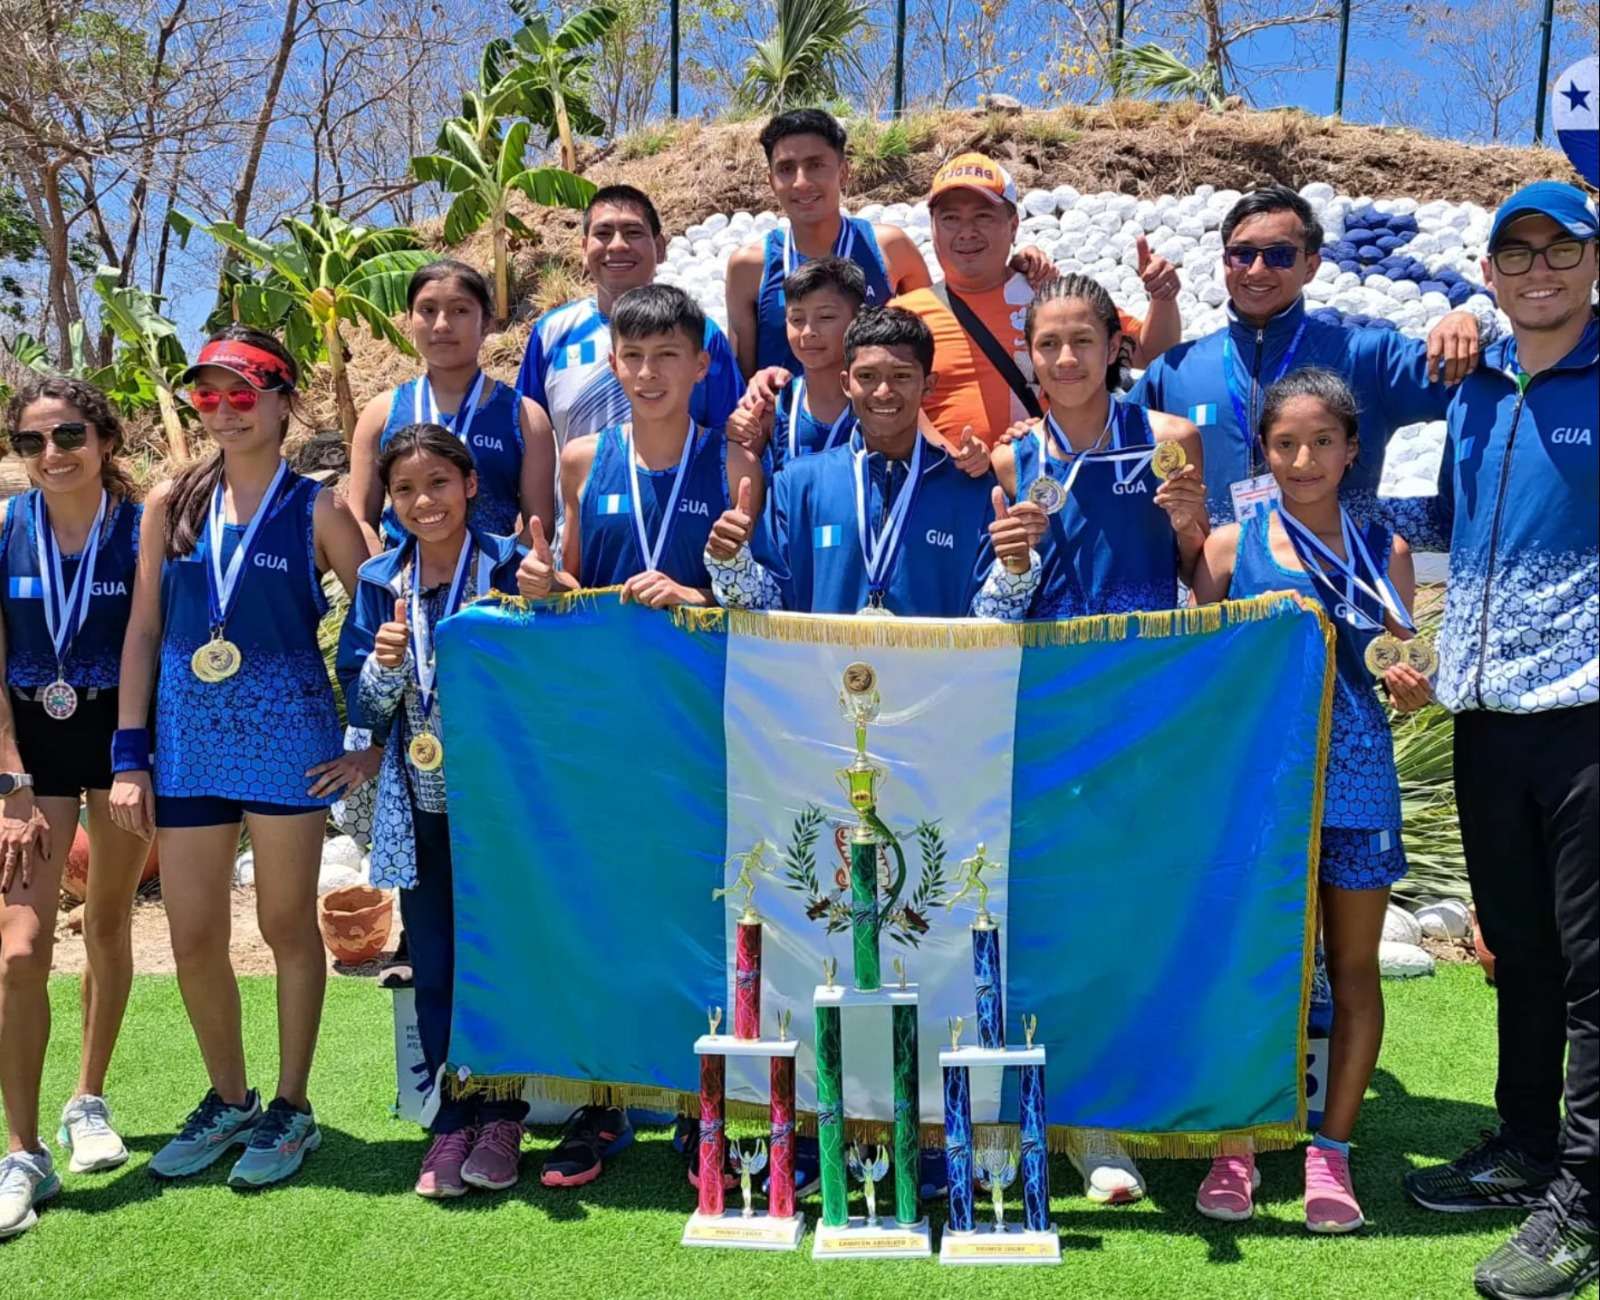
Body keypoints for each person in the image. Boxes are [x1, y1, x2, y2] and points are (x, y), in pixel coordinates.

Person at [108, 326, 373, 1189]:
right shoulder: (168, 504)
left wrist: (367, 739)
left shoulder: (319, 507)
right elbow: (143, 631)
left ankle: (293, 1107)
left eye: (244, 390)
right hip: (185, 747)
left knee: (286, 928)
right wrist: (129, 753)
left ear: (284, 398)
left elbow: (377, 630)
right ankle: (229, 1099)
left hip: (289, 739)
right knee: (192, 935)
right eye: (208, 394)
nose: (224, 409)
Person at [1397, 180, 1597, 1300]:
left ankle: (1586, 1194)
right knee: (1516, 955)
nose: (1538, 269)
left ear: (1592, 263)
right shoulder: (1473, 386)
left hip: (1586, 722)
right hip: (1486, 718)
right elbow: (1450, 539)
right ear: (1487, 269)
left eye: (1561, 251)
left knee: (1592, 971)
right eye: (1515, 251)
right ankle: (1526, 1146)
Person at [1191, 367, 1430, 1234]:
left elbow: (1405, 665)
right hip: (1261, 786)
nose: (1303, 458)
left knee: (1352, 967)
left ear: (1352, 448)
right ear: (1263, 451)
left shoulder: (1386, 550)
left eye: (1323, 440)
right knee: (1255, 964)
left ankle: (1332, 1152)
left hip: (1359, 779)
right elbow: (1198, 676)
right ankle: (1237, 1146)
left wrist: (1411, 683)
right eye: (1285, 443)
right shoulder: (1228, 548)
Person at [337, 423, 548, 1199]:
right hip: (420, 796)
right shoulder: (376, 578)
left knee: (504, 952)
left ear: (469, 485)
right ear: (389, 502)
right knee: (434, 956)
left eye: (437, 483)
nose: (423, 501)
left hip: (503, 801)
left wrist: (544, 607)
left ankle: (505, 1114)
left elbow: (546, 679)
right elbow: (363, 697)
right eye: (403, 490)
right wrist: (387, 669)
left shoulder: (511, 565)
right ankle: (452, 1117)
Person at [0, 379, 150, 1239]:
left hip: (123, 745)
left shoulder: (142, 528)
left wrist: (137, 758)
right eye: (31, 442)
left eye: (67, 436)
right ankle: (22, 1153)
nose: (50, 455)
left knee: (107, 921)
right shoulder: (5, 529)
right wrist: (12, 782)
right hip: (31, 757)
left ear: (103, 439)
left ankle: (86, 1098)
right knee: (20, 949)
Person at [1129, 183, 1496, 525]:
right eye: (1242, 254)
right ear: (1225, 262)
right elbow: (1097, 440)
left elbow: (1501, 383)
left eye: (1280, 256)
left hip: (1329, 584)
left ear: (1311, 266)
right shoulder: (1176, 371)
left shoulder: (1369, 355)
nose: (1257, 270)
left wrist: (1476, 319)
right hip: (1213, 582)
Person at [706, 306, 1044, 617]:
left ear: (928, 386)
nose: (883, 391)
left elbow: (990, 622)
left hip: (933, 683)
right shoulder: (796, 485)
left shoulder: (972, 491)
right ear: (846, 384)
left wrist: (1015, 572)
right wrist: (731, 564)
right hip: (820, 681)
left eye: (901, 376)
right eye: (867, 376)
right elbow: (766, 608)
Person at [889, 153, 1183, 449]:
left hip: (1053, 485)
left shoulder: (1051, 298)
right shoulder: (902, 316)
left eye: (983, 216)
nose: (966, 232)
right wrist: (953, 460)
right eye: (950, 218)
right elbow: (888, 408)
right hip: (950, 487)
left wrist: (1163, 297)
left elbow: (1151, 352)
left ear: (1013, 225)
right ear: (933, 227)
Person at [991, 275, 1207, 623]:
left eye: (1082, 340)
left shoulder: (1171, 441)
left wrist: (1186, 528)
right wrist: (1014, 562)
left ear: (1111, 347)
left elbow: (1198, 573)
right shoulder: (1009, 459)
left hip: (1142, 664)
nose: (1066, 359)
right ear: (1030, 353)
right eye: (1048, 343)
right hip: (1050, 668)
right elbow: (1001, 600)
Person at [554, 283, 762, 611]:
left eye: (667, 354)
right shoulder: (581, 460)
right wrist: (546, 581)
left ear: (701, 365)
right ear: (613, 364)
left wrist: (693, 597)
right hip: (604, 659)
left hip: (696, 660)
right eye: (633, 355)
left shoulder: (736, 466)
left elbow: (760, 601)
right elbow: (571, 581)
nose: (648, 373)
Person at [349, 259, 555, 553]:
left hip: (493, 591)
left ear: (486, 323)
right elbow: (360, 521)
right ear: (410, 320)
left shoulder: (524, 416)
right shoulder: (381, 414)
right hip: (405, 593)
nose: (442, 325)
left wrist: (500, 580)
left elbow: (538, 524)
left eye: (460, 310)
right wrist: (387, 581)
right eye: (427, 310)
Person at [517, 185, 743, 450]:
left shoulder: (701, 334)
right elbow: (527, 439)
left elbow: (730, 433)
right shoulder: (551, 333)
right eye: (603, 233)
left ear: (660, 248)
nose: (618, 245)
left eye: (633, 233)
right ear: (583, 248)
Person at [725, 108, 937, 377]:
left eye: (815, 165)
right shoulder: (749, 267)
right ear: (771, 181)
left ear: (844, 171)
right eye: (786, 169)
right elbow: (743, 377)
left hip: (878, 415)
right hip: (785, 418)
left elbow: (931, 348)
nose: (801, 182)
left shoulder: (890, 248)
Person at [726, 256, 864, 472]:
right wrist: (735, 439)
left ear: (857, 319)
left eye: (826, 317)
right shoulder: (774, 404)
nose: (809, 332)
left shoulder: (876, 399)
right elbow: (738, 479)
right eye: (797, 319)